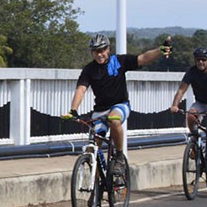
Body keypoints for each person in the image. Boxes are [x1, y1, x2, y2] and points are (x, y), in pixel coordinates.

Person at [61, 33, 171, 182]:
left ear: (108, 49)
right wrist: (73, 110)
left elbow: (143, 58)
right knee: (93, 147)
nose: (99, 54)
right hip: (100, 110)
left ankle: (119, 156)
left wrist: (160, 50)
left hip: (120, 105)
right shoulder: (89, 69)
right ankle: (98, 185)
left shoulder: (119, 61)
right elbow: (81, 89)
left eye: (102, 50)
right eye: (95, 51)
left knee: (114, 119)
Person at [169, 47, 207, 184]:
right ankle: (194, 139)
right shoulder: (192, 72)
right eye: (198, 60)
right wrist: (175, 104)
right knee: (191, 115)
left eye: (203, 60)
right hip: (200, 103)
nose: (200, 62)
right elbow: (181, 90)